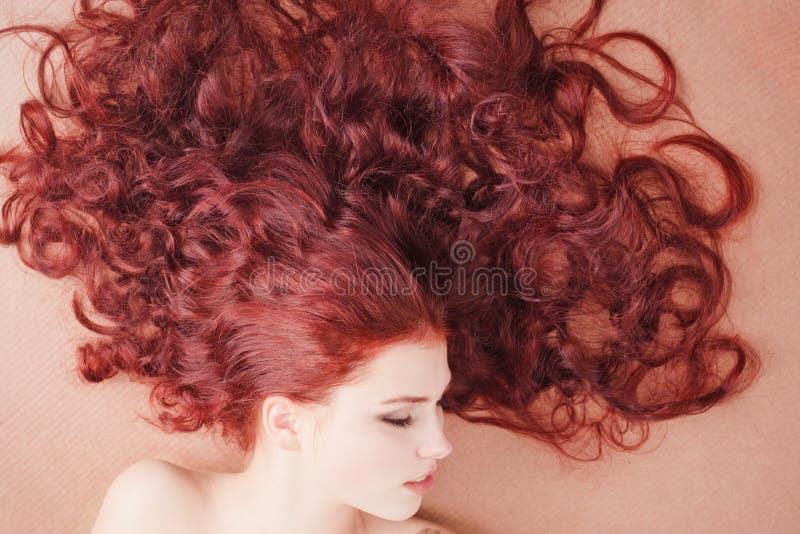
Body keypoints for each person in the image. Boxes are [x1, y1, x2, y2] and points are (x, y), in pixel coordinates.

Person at [0, 0, 762, 532]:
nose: (441, 444)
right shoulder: (157, 509)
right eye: (400, 416)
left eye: (433, 407)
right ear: (288, 421)